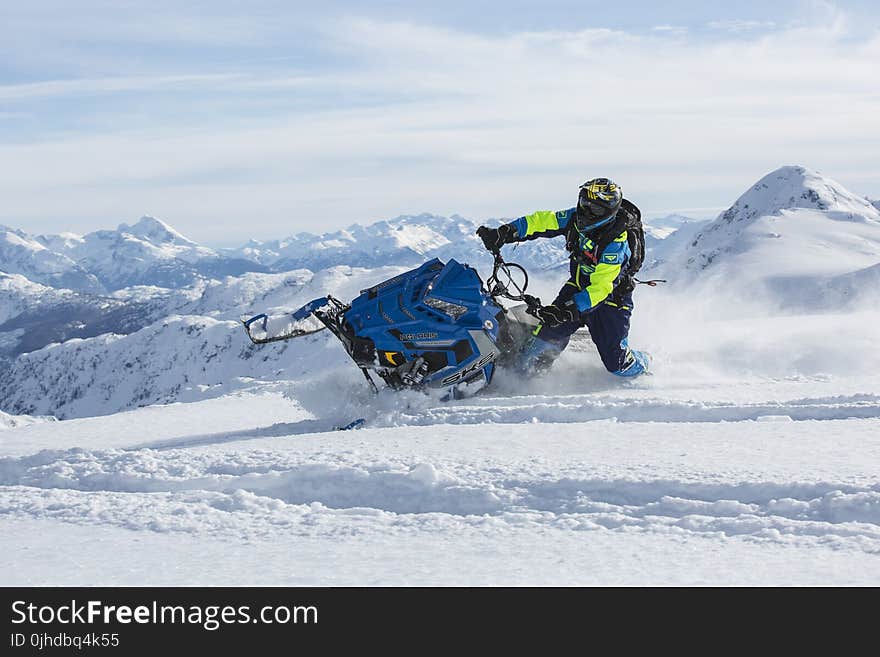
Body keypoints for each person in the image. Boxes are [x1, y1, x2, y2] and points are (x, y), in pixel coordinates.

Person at [476, 178, 650, 377]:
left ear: (609, 212)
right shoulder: (575, 218)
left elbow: (601, 288)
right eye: (585, 204)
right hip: (577, 287)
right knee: (531, 355)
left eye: (596, 209)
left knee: (618, 364)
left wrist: (566, 310)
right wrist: (505, 232)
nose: (587, 212)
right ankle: (529, 381)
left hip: (610, 302)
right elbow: (542, 221)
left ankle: (644, 362)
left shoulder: (616, 243)